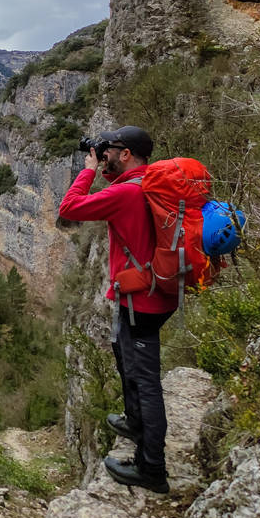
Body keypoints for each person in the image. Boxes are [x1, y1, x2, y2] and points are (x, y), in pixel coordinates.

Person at [58, 125, 176, 494]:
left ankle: (151, 468)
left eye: (109, 149)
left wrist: (89, 170)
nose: (103, 153)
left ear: (126, 154)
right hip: (150, 293)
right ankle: (134, 422)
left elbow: (69, 208)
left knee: (145, 380)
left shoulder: (125, 193)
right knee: (125, 357)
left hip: (142, 298)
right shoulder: (146, 184)